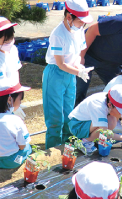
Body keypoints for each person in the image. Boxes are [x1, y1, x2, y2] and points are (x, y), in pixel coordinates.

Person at [43, 0, 94, 149]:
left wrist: (78, 65)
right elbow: (60, 63)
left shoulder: (79, 31)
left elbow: (78, 54)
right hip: (55, 75)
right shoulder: (58, 34)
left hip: (70, 74)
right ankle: (52, 150)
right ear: (69, 17)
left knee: (68, 115)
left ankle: (66, 146)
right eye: (80, 22)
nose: (82, 25)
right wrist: (78, 71)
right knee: (55, 118)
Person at [68, 84, 122, 154]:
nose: (121, 114)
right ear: (110, 105)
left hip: (88, 122)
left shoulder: (112, 100)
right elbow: (104, 132)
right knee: (111, 122)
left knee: (111, 121)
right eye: (120, 111)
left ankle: (93, 137)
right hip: (77, 126)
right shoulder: (98, 106)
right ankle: (85, 142)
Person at [0, 78, 32, 169]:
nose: (20, 103)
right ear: (9, 99)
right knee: (28, 147)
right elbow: (22, 146)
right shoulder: (15, 120)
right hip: (11, 161)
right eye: (20, 99)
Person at [0, 16, 26, 119]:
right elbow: (1, 85)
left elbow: (15, 72)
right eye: (5, 41)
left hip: (12, 95)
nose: (10, 43)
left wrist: (17, 98)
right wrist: (12, 104)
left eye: (11, 39)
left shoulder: (13, 49)